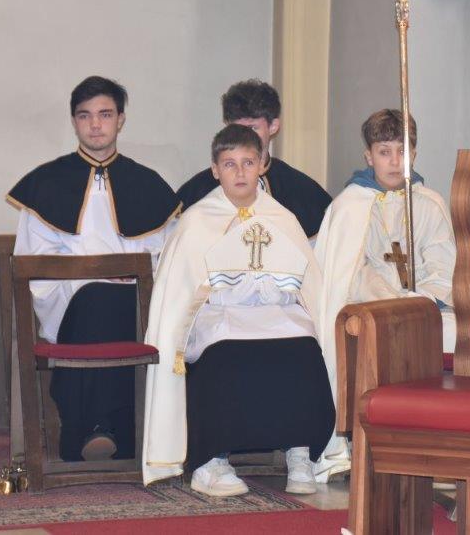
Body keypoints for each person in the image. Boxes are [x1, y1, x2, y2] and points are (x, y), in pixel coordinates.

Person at [143, 124, 335, 497]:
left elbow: (306, 285)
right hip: (218, 316)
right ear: (215, 170)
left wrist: (275, 287)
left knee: (305, 346)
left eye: (248, 162)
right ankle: (212, 461)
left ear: (262, 164)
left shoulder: (282, 218)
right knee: (223, 351)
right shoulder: (197, 220)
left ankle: (300, 452)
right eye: (230, 164)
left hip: (276, 313)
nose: (240, 172)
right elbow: (184, 290)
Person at [7, 76, 180, 462]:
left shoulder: (148, 185)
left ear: (121, 119)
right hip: (71, 303)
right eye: (85, 116)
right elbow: (34, 262)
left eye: (105, 114)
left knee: (112, 301)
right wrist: (92, 276)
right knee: (97, 298)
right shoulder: (46, 185)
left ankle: (91, 431)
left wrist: (133, 276)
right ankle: (110, 430)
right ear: (74, 122)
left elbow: (169, 255)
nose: (96, 124)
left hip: (135, 302)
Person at [313, 109, 457, 479]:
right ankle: (349, 449)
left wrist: (419, 303)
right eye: (384, 152)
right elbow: (351, 272)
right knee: (362, 340)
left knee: (460, 336)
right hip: (369, 309)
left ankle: (445, 450)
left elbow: (444, 266)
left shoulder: (429, 204)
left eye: (402, 151)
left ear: (415, 154)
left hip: (426, 309)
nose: (395, 161)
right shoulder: (349, 206)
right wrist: (391, 302)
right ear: (369, 156)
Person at [176, 79, 331, 238]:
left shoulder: (301, 191)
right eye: (237, 128)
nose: (244, 137)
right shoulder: (197, 192)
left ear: (273, 127)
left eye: (252, 128)